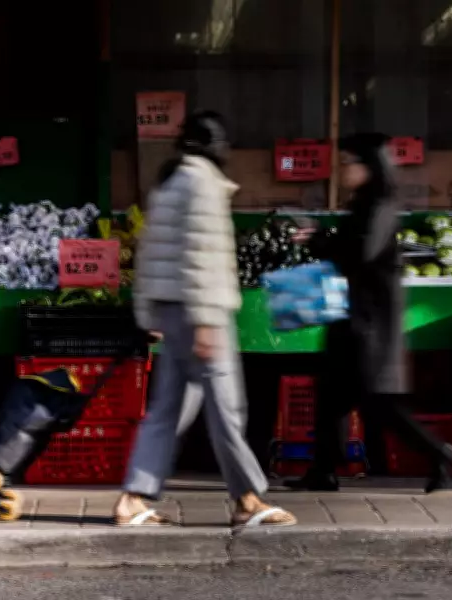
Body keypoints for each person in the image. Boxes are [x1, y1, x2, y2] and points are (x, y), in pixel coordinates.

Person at [112, 110, 296, 528]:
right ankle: (248, 499)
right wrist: (209, 322)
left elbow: (149, 252)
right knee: (226, 408)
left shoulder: (168, 181)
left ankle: (132, 498)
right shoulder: (203, 183)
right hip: (202, 313)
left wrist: (150, 313)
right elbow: (204, 256)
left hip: (172, 311)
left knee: (168, 409)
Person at [287, 132, 452, 494]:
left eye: (348, 163)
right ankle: (323, 470)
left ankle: (440, 454)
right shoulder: (365, 203)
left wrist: (320, 241)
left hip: (370, 322)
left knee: (378, 402)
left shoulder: (380, 205)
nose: (343, 170)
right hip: (355, 315)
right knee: (332, 396)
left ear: (368, 166)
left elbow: (361, 253)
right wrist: (322, 239)